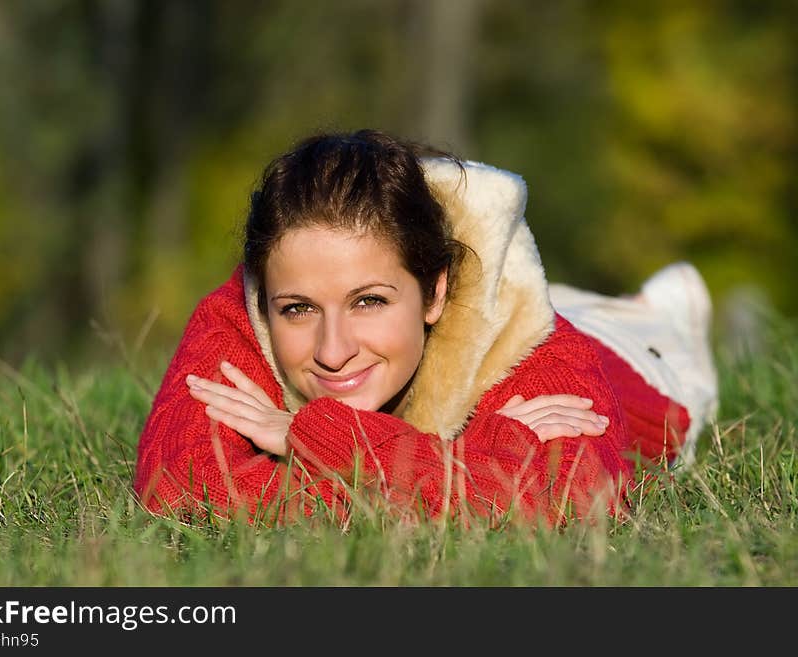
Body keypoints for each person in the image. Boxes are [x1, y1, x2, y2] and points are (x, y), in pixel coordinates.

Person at [133, 129, 718, 526]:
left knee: (615, 329)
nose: (332, 352)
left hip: (632, 360)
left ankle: (655, 309)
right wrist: (476, 461)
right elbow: (177, 485)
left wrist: (306, 438)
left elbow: (572, 501)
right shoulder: (247, 302)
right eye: (298, 310)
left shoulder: (539, 350)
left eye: (368, 301)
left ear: (436, 291)